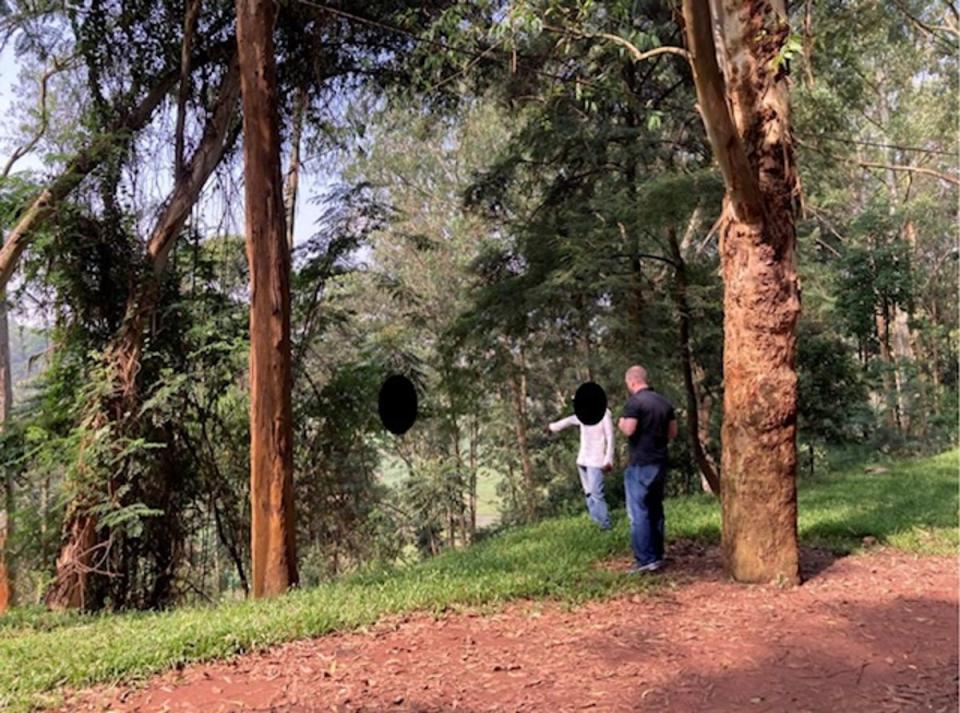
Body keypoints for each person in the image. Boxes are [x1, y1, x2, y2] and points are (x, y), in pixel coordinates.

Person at [617, 365, 677, 573]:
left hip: (641, 463)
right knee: (655, 508)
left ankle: (645, 560)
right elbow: (672, 432)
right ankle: (658, 555)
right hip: (660, 461)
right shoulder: (664, 402)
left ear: (632, 382)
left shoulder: (635, 402)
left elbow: (629, 429)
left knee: (638, 511)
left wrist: (621, 423)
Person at [547, 405, 615, 530]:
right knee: (588, 493)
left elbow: (610, 437)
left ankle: (606, 526)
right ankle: (596, 523)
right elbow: (569, 420)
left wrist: (608, 458)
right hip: (583, 459)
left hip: (596, 460)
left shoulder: (604, 415)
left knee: (596, 493)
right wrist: (552, 427)